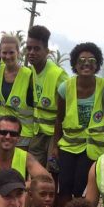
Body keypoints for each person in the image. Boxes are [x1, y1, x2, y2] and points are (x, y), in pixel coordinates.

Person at [53, 42, 104, 207]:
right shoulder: (65, 88)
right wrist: (55, 146)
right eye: (82, 60)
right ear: (75, 64)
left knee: (81, 188)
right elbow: (59, 118)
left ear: (97, 64)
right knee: (64, 187)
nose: (86, 63)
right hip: (69, 147)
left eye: (91, 60)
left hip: (92, 148)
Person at [26, 25, 68, 168]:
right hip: (38, 132)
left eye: (36, 49)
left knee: (52, 173)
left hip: (55, 135)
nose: (31, 52)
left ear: (47, 51)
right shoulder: (31, 70)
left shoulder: (58, 75)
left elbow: (67, 110)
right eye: (29, 48)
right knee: (34, 171)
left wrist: (57, 142)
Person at [0, 34, 34, 149]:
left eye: (11, 52)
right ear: (0, 53)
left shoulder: (29, 75)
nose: (7, 56)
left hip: (21, 135)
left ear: (18, 52)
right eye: (4, 52)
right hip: (3, 132)